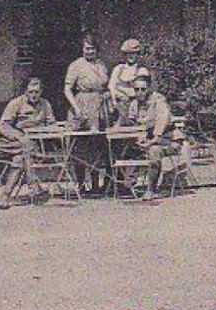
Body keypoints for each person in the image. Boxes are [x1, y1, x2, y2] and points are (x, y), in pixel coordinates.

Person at [0, 77, 57, 209]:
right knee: (26, 147)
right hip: (8, 143)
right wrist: (18, 136)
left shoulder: (45, 104)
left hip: (29, 146)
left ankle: (5, 196)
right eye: (30, 92)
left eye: (36, 92)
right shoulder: (16, 103)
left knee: (19, 160)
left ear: (41, 92)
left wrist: (50, 129)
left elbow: (51, 123)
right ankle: (33, 185)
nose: (33, 95)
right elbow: (3, 126)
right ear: (25, 91)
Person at [63, 35, 112, 194]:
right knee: (81, 146)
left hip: (100, 107)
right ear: (82, 49)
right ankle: (81, 184)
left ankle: (97, 184)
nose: (89, 51)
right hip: (83, 106)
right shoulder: (76, 65)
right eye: (87, 48)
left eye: (92, 48)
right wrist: (76, 108)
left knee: (98, 146)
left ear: (97, 50)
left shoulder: (102, 65)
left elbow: (106, 86)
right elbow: (67, 89)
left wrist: (106, 94)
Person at [124, 69, 175, 197]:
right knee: (124, 148)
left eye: (143, 89)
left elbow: (162, 123)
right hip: (145, 140)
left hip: (167, 139)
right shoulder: (134, 104)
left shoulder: (158, 101)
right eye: (137, 90)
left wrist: (151, 141)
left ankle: (151, 189)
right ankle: (127, 185)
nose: (140, 93)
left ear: (149, 89)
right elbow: (132, 123)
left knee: (154, 151)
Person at [108, 38, 149, 121]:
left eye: (133, 53)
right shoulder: (118, 69)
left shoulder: (142, 70)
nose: (130, 56)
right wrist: (116, 97)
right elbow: (111, 87)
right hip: (118, 105)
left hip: (136, 106)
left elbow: (142, 90)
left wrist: (125, 92)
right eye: (128, 53)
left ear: (138, 54)